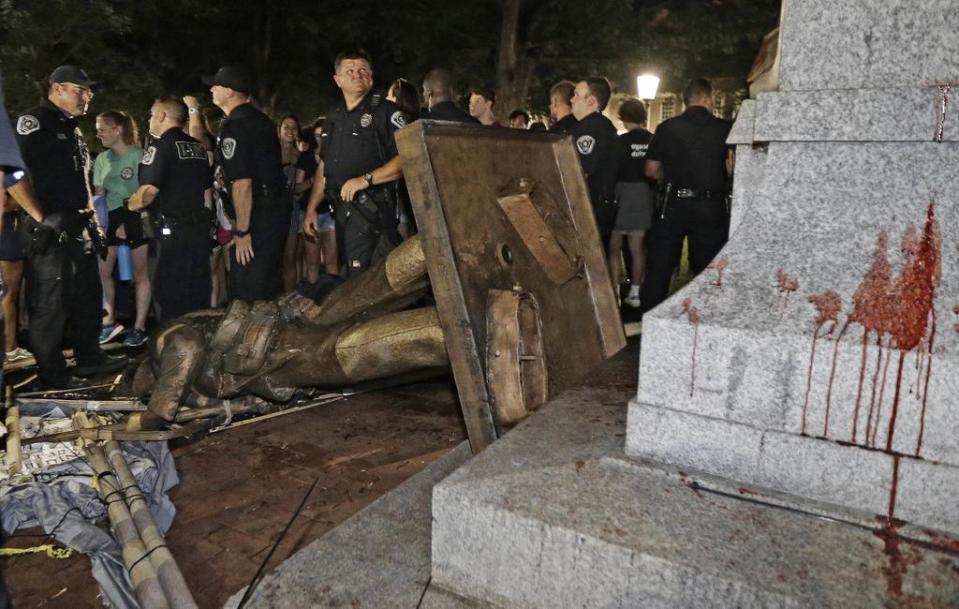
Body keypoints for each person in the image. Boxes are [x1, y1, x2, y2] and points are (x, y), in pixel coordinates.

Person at [11, 65, 127, 388]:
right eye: (80, 90)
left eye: (88, 91)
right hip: (48, 226)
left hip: (77, 224)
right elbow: (12, 174)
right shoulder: (34, 122)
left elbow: (81, 180)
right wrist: (39, 217)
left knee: (86, 295)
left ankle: (89, 358)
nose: (87, 96)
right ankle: (53, 373)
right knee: (50, 301)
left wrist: (92, 218)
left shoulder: (72, 127)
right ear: (57, 88)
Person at [304, 48, 404, 278]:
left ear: (371, 75)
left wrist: (366, 180)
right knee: (351, 277)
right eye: (350, 70)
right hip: (342, 212)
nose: (357, 74)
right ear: (337, 80)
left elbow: (407, 159)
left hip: (373, 211)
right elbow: (325, 166)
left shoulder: (386, 111)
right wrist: (311, 209)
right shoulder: (333, 117)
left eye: (363, 70)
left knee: (373, 281)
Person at [640, 78, 734, 315]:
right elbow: (731, 169)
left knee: (660, 267)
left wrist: (670, 176)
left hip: (674, 204)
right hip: (710, 205)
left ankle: (651, 318)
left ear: (686, 101)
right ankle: (703, 318)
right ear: (707, 98)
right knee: (707, 269)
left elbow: (650, 170)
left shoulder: (667, 128)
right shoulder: (724, 128)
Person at [206, 65, 291, 302]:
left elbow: (242, 183)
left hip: (258, 214)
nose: (211, 89)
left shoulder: (238, 125)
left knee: (249, 289)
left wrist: (243, 231)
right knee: (263, 283)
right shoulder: (258, 119)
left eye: (216, 85)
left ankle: (254, 338)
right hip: (269, 210)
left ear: (230, 91)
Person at [128, 97, 213, 321]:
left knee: (169, 296)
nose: (149, 119)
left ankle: (173, 350)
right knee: (196, 294)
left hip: (170, 237)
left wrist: (130, 204)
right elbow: (205, 189)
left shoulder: (160, 147)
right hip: (198, 232)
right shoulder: (198, 147)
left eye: (151, 114)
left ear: (163, 116)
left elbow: (148, 193)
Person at [93, 110, 150, 346]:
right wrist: (97, 222)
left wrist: (129, 223)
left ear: (117, 130)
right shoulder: (101, 159)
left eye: (102, 129)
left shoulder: (139, 155)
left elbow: (147, 192)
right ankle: (109, 322)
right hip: (110, 216)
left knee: (139, 274)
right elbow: (98, 194)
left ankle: (139, 327)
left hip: (135, 215)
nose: (98, 134)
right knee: (102, 271)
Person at [610, 99, 655, 308]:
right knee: (637, 248)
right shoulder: (651, 140)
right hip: (642, 194)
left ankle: (613, 293)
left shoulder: (619, 142)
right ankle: (636, 292)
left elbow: (613, 169)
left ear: (624, 117)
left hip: (621, 193)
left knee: (614, 246)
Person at [570, 77, 620, 249]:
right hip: (602, 205)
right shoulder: (605, 126)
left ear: (591, 101)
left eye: (577, 95)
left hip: (589, 207)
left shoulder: (588, 128)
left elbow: (582, 169)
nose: (572, 99)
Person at [294, 120, 336, 280]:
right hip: (310, 213)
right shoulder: (305, 157)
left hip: (330, 213)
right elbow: (296, 187)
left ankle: (334, 298)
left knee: (331, 259)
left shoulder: (335, 156)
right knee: (312, 261)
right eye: (317, 135)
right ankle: (313, 298)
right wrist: (314, 181)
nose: (321, 138)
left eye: (324, 135)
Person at [278, 113, 302, 292]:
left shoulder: (300, 155)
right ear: (279, 130)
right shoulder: (269, 152)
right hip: (272, 209)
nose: (290, 131)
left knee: (290, 255)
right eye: (286, 127)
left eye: (294, 128)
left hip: (292, 209)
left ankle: (288, 296)